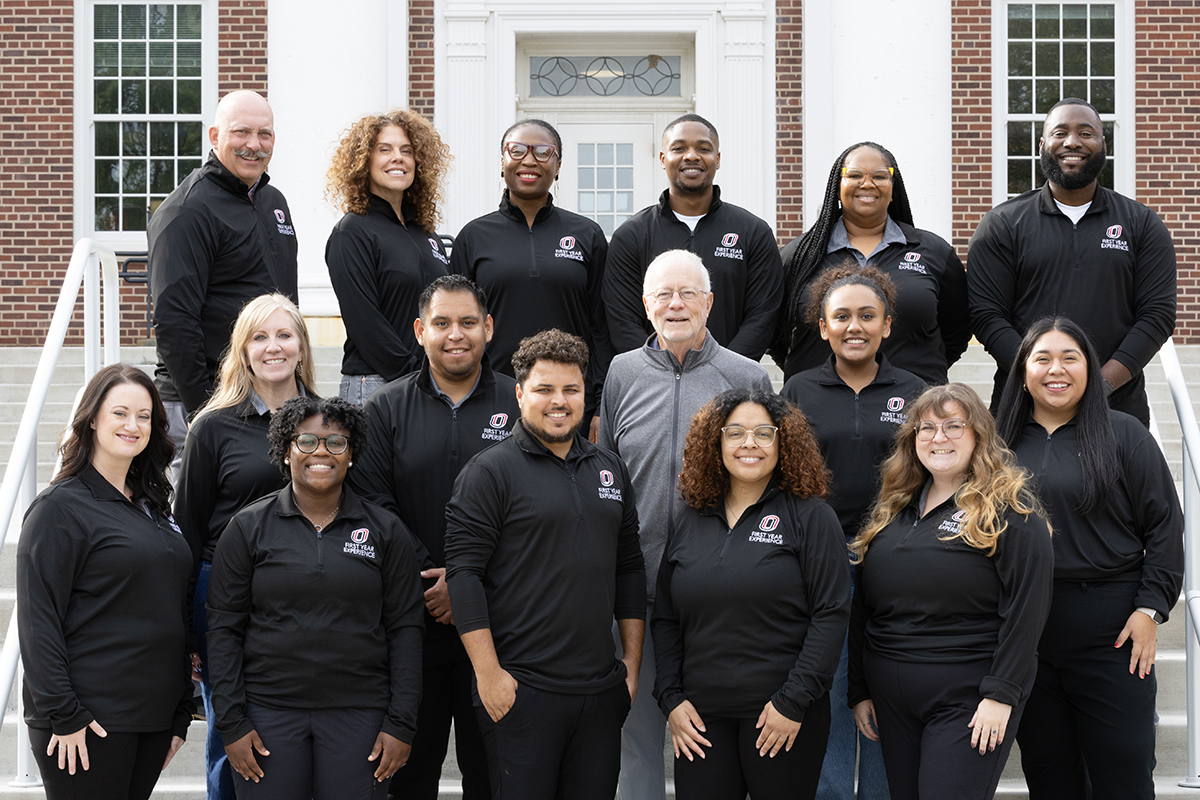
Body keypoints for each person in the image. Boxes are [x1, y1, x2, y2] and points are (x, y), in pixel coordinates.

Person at [600, 248, 772, 800]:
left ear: (710, 303)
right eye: (663, 295)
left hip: (716, 597)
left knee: (711, 740)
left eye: (688, 294)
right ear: (646, 305)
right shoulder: (621, 372)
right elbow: (606, 474)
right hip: (636, 591)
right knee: (635, 737)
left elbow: (771, 478)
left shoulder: (746, 376)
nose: (676, 305)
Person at [445, 329, 646, 800]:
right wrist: (489, 676)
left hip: (600, 694)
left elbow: (630, 569)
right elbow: (464, 575)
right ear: (519, 394)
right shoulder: (488, 472)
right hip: (521, 691)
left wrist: (631, 667)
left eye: (571, 390)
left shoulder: (609, 469)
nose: (559, 401)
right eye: (544, 389)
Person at [995, 317, 1184, 800]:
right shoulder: (998, 445)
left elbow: (1164, 527)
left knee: (1123, 770)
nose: (1055, 370)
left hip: (1113, 632)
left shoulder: (1125, 435)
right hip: (1028, 633)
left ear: (1090, 368)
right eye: (1042, 359)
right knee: (1050, 772)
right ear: (1022, 371)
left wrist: (1150, 609)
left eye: (1070, 358)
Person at [348, 274, 518, 800]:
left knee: (492, 777)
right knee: (408, 778)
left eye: (468, 322)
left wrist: (468, 583)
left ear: (488, 328)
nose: (456, 334)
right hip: (410, 625)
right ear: (420, 330)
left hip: (497, 628)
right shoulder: (384, 409)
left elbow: (529, 509)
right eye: (442, 323)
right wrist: (433, 580)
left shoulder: (519, 404)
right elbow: (374, 505)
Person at [205, 396, 424, 799]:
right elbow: (223, 629)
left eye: (336, 443)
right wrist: (232, 723)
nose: (321, 451)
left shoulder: (386, 531)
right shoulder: (247, 527)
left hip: (360, 716)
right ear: (286, 451)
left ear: (352, 454)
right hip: (268, 715)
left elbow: (406, 630)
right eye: (306, 441)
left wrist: (401, 723)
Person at [848, 384, 1054, 800]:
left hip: (968, 694)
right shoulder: (894, 507)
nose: (938, 437)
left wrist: (1001, 693)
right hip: (891, 697)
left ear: (979, 434)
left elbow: (1027, 609)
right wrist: (859, 690)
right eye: (926, 428)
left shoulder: (1010, 510)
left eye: (953, 425)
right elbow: (864, 609)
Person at [653, 388, 850, 800]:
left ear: (784, 442)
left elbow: (830, 614)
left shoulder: (811, 517)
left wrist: (792, 703)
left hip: (779, 718)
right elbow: (666, 617)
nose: (749, 444)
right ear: (716, 442)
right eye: (735, 432)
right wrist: (671, 699)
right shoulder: (690, 517)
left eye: (764, 433)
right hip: (700, 720)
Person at [780, 264, 926, 800]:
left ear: (887, 325)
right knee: (831, 687)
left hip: (898, 557)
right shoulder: (798, 389)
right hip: (824, 561)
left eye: (867, 315)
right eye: (841, 316)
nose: (854, 326)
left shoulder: (916, 392)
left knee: (886, 690)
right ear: (823, 327)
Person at [17, 364, 193, 800]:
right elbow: (39, 622)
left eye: (145, 415)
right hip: (88, 719)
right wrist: (65, 714)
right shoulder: (60, 508)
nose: (133, 425)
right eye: (120, 413)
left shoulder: (154, 505)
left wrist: (180, 711)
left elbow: (173, 607)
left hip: (152, 715)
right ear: (93, 417)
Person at [173, 292, 318, 800]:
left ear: (302, 347)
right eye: (259, 336)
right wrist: (187, 630)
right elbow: (187, 529)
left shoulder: (326, 424)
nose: (272, 347)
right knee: (229, 733)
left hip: (309, 591)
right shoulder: (212, 427)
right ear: (242, 350)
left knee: (300, 728)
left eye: (284, 335)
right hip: (227, 595)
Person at [968, 97, 1177, 426]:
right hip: (1022, 411)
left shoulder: (1142, 224)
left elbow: (1157, 316)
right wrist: (1040, 380)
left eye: (1086, 133)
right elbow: (987, 316)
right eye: (1060, 132)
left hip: (1116, 409)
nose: (1072, 142)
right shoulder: (1002, 224)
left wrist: (1099, 384)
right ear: (1043, 144)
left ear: (1102, 143)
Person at [149, 90, 299, 458]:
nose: (254, 144)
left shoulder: (273, 202)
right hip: (205, 402)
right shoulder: (186, 211)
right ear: (215, 137)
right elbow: (174, 322)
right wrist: (208, 414)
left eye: (264, 134)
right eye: (241, 133)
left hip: (267, 396)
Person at [450, 119, 611, 438]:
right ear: (502, 161)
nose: (529, 160)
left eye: (543, 151)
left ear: (558, 165)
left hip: (567, 399)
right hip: (492, 397)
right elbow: (459, 324)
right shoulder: (474, 237)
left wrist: (600, 401)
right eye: (517, 150)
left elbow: (601, 326)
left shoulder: (587, 235)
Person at [776, 141, 969, 385]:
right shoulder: (798, 256)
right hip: (817, 409)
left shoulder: (934, 253)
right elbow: (776, 334)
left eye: (879, 176)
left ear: (893, 188)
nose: (867, 184)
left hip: (915, 407)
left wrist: (915, 371)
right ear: (837, 187)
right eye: (855, 175)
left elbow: (957, 332)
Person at [603, 113, 783, 361]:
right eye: (679, 148)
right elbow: (621, 319)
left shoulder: (753, 232)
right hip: (653, 382)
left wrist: (724, 369)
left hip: (730, 384)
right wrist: (658, 368)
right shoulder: (631, 236)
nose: (691, 156)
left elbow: (763, 314)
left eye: (703, 148)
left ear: (717, 159)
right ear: (663, 159)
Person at [326, 109, 452, 404]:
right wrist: (417, 376)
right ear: (364, 161)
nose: (398, 158)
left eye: (406, 151)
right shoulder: (352, 232)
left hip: (429, 383)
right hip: (376, 384)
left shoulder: (426, 234)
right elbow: (366, 324)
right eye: (385, 150)